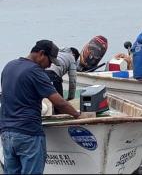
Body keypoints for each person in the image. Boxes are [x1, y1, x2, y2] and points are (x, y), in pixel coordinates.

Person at [0, 40, 81, 174]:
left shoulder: (9, 66)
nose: (49, 66)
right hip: (28, 134)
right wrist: (78, 115)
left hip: (7, 134)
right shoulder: (35, 71)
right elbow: (59, 102)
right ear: (41, 54)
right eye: (50, 61)